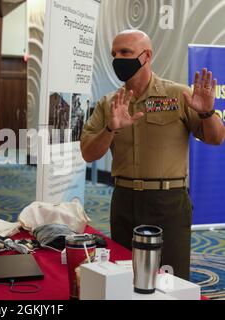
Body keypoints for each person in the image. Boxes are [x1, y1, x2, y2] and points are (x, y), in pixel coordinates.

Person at [80, 30, 225, 280]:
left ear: (146, 56)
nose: (117, 58)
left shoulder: (178, 95)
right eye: (114, 53)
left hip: (167, 202)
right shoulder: (109, 103)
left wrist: (206, 113)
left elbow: (216, 138)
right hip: (124, 200)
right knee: (125, 273)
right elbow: (88, 153)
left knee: (171, 276)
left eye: (125, 52)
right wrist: (111, 128)